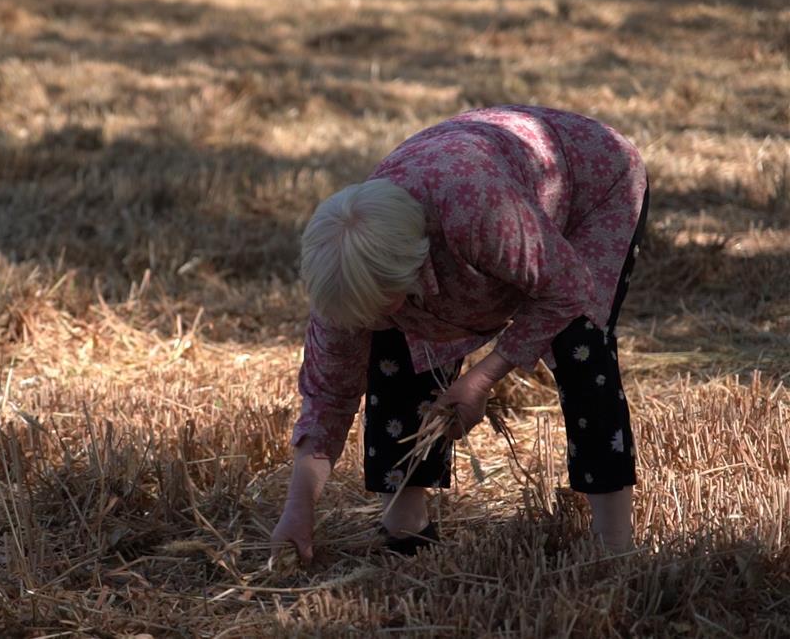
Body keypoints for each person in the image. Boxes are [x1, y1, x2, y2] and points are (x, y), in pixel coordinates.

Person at [270, 105, 649, 564]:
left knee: (580, 345)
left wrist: (482, 378)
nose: (365, 323)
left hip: (590, 181)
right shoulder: (346, 268)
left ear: (414, 268)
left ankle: (613, 544)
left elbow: (566, 288)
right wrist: (299, 509)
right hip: (478, 190)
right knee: (395, 346)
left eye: (383, 304)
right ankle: (405, 526)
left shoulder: (476, 213)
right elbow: (329, 393)